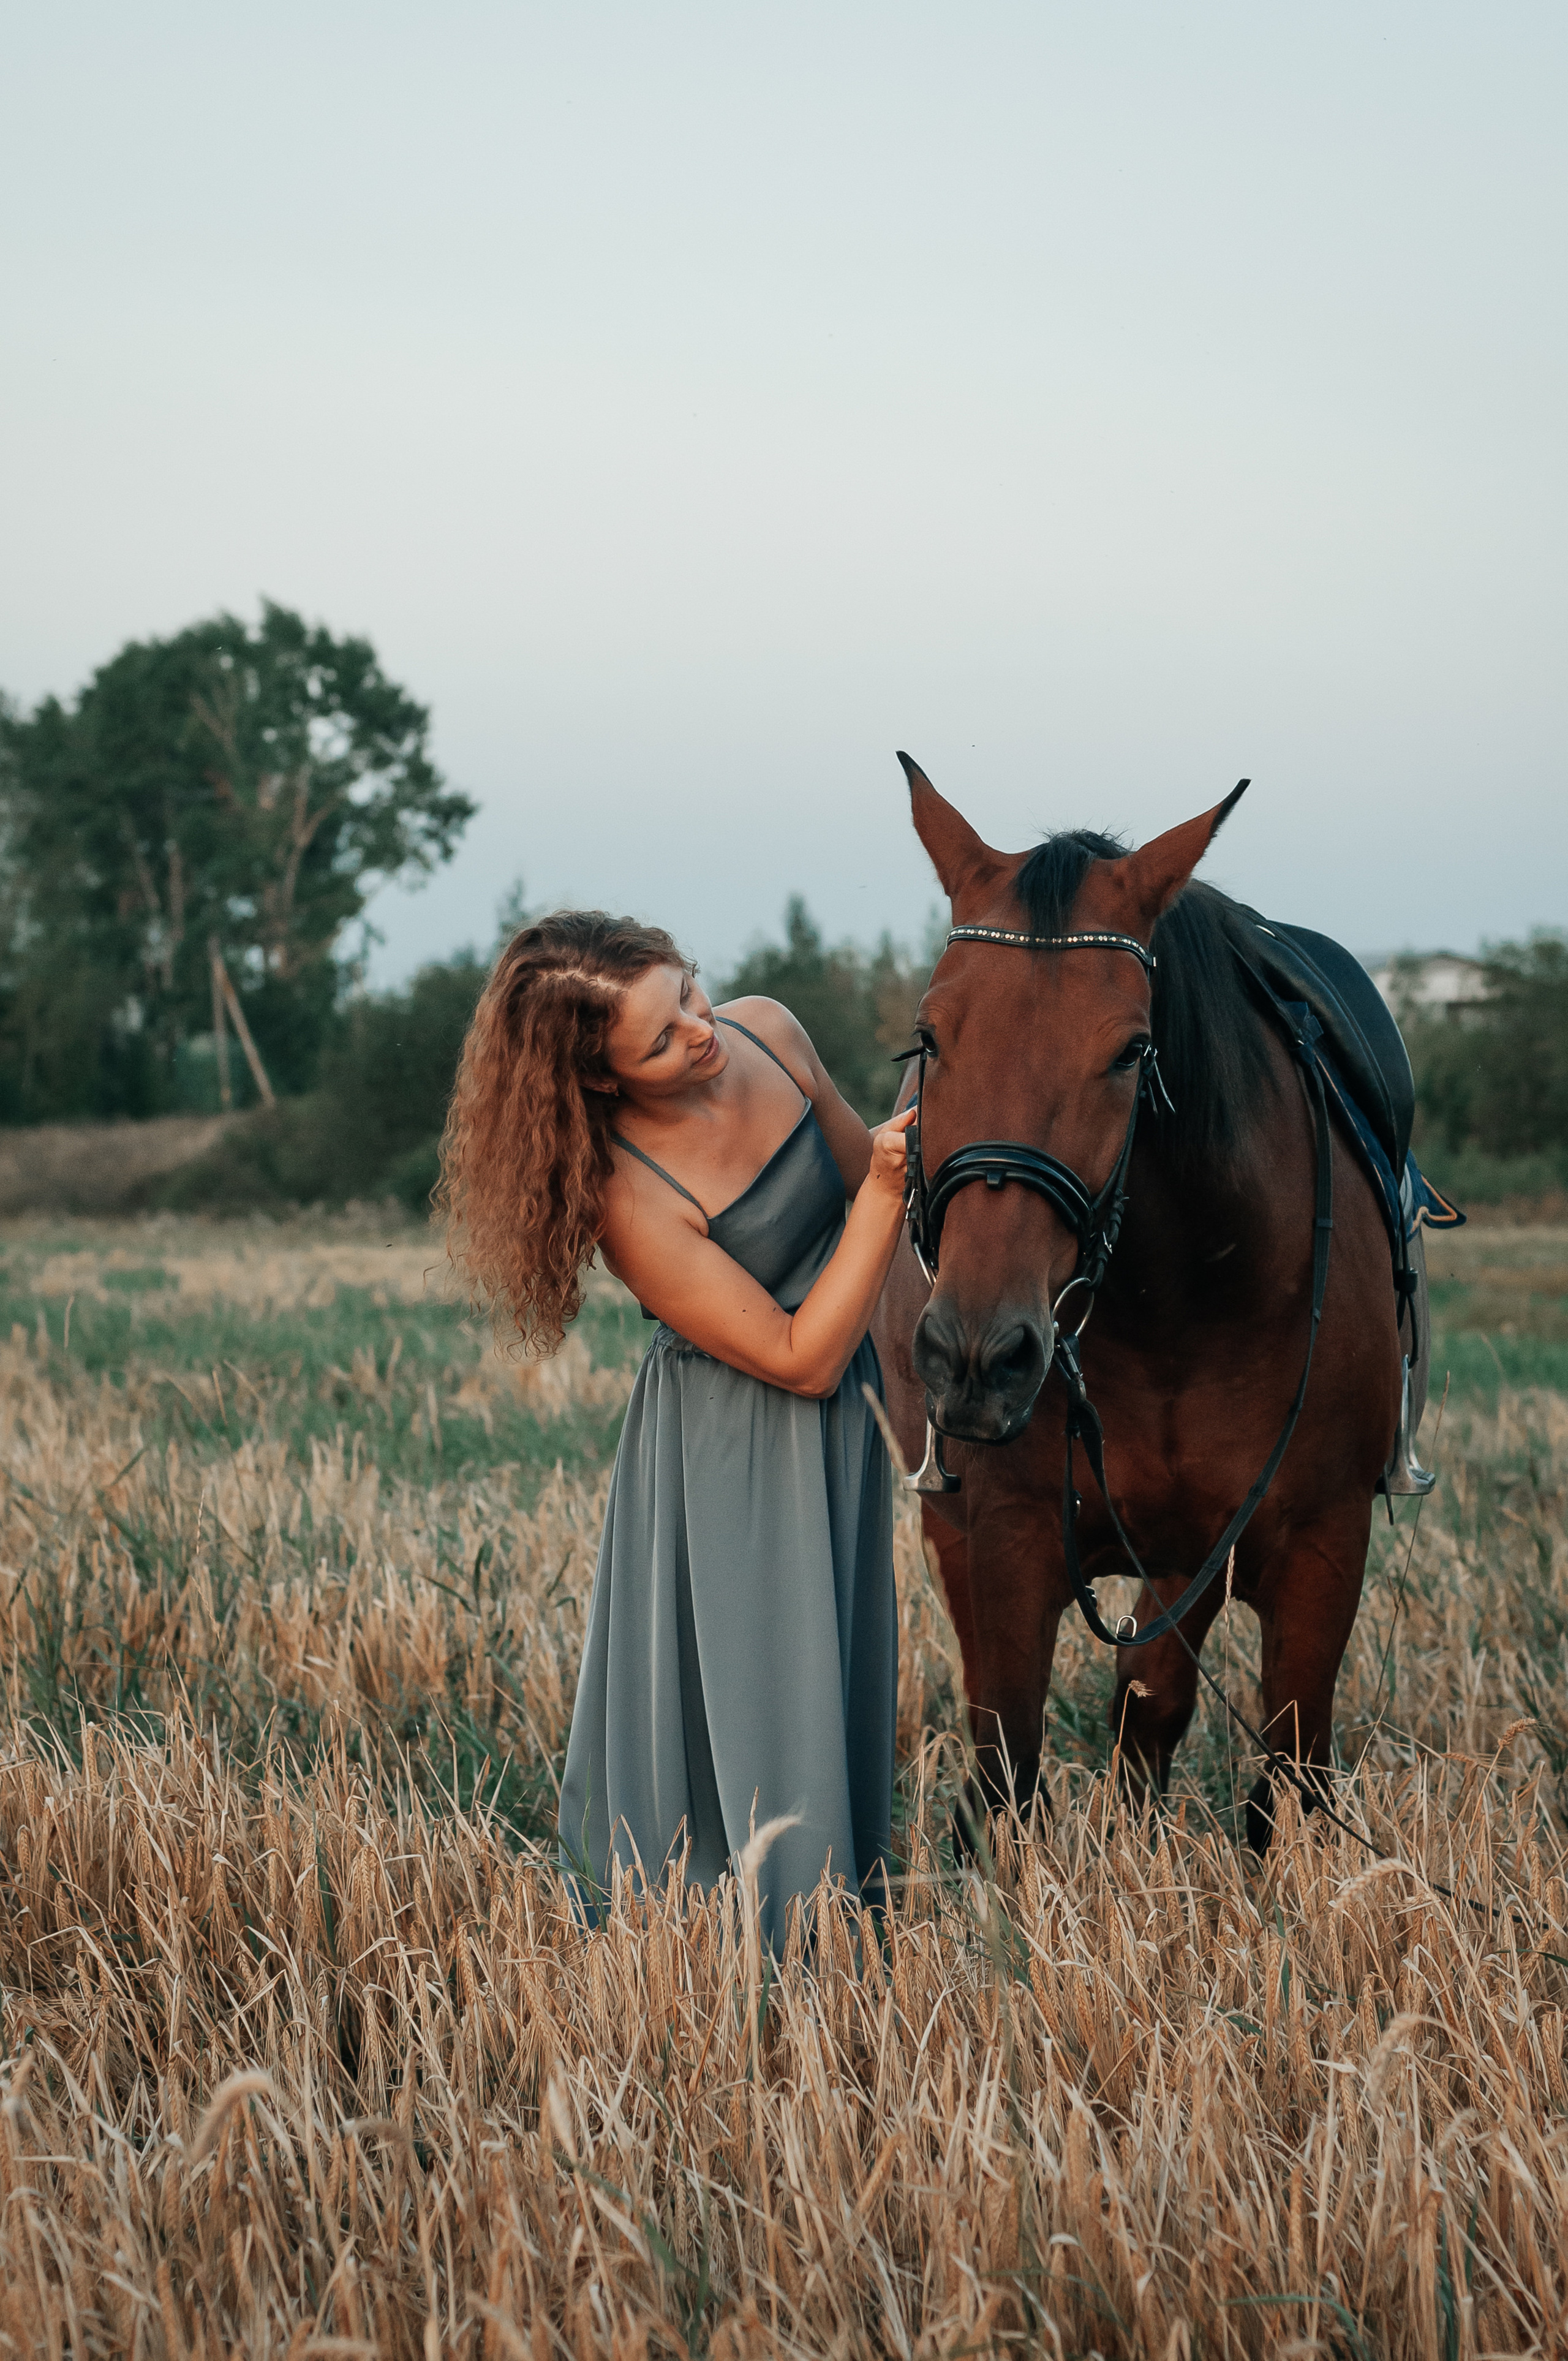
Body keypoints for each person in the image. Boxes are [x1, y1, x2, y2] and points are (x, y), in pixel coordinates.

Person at [438, 911, 914, 1946]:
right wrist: (884, 1189)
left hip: (841, 1421)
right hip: (732, 1442)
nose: (701, 1030)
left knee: (834, 1664)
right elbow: (799, 1353)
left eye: (689, 993)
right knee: (759, 1686)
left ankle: (847, 1918)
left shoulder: (772, 1032)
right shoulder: (626, 1194)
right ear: (603, 1079)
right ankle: (756, 1942)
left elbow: (870, 1189)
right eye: (660, 1039)